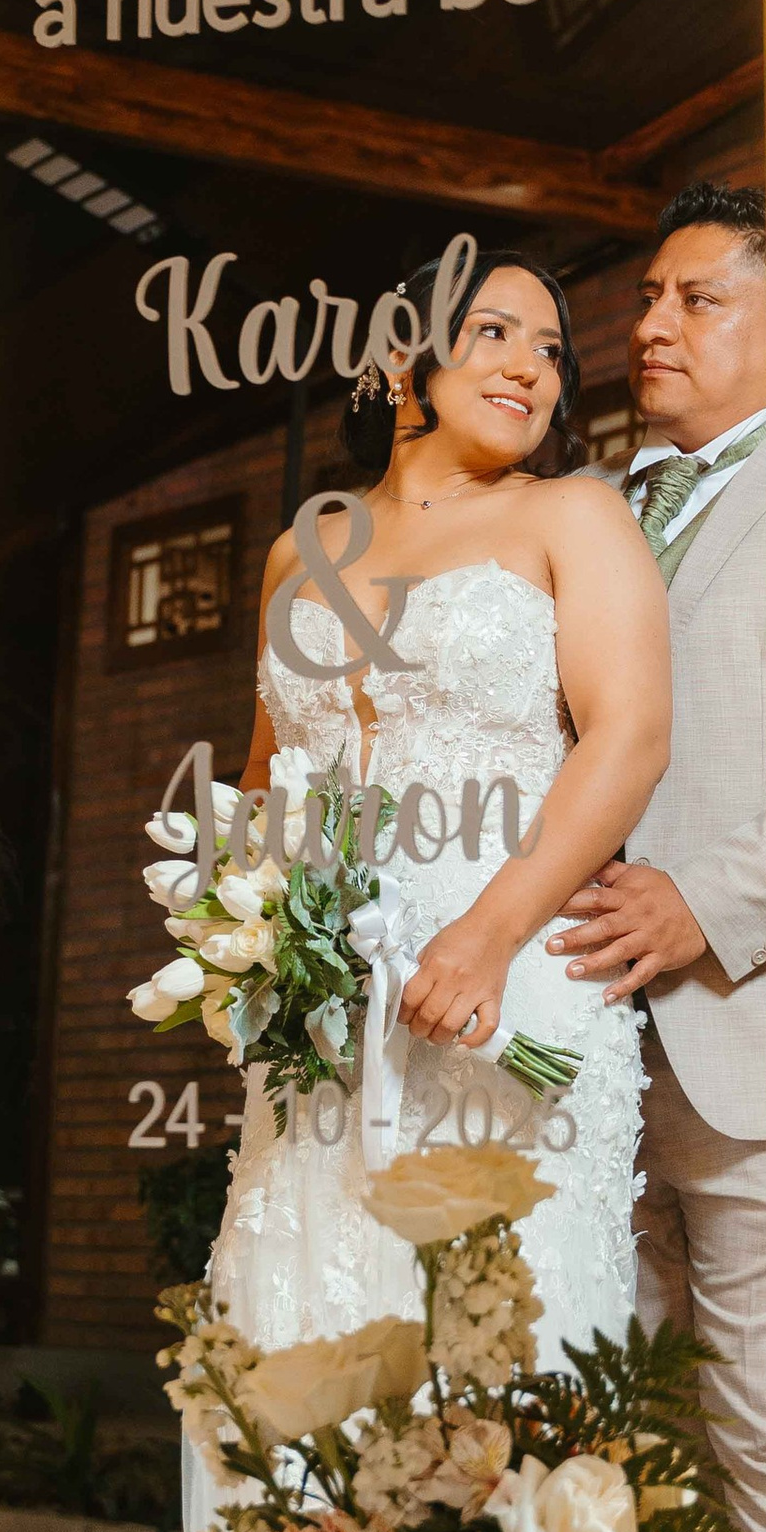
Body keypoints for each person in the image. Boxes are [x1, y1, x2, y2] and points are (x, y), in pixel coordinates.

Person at [208, 248, 671, 1369]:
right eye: (495, 333)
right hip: (328, 1021)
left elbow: (629, 738)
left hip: (507, 985)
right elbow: (269, 777)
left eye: (552, 349)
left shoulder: (571, 516)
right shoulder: (296, 552)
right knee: (311, 1324)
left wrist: (486, 936)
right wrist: (251, 937)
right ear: (401, 360)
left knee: (499, 1327)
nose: (532, 368)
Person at [552, 181, 766, 1532]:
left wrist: (714, 904)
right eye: (647, 298)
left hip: (727, 1020)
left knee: (753, 1412)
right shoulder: (602, 504)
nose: (652, 325)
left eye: (697, 299)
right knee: (590, 1400)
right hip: (573, 1023)